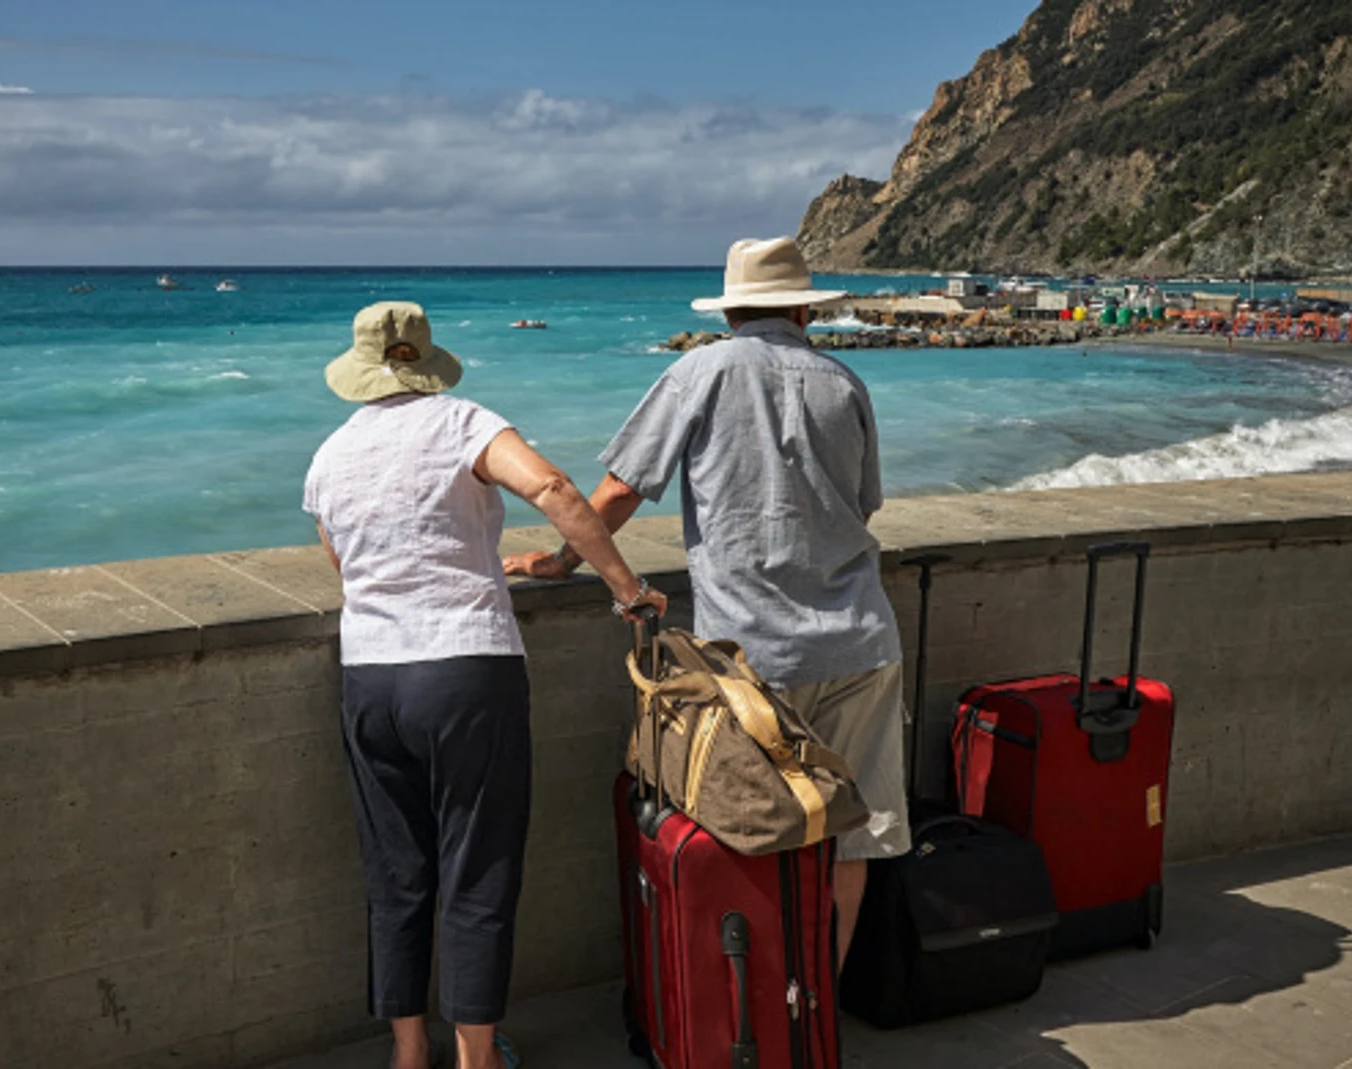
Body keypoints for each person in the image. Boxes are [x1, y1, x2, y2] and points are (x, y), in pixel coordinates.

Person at [503, 237, 908, 971]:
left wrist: (561, 560)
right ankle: (820, 1005)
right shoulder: (845, 382)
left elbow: (621, 489)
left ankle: (761, 1007)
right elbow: (864, 508)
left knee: (751, 833)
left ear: (729, 312)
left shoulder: (700, 371)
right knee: (855, 837)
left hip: (751, 658)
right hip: (860, 642)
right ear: (805, 311)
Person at [305, 301, 667, 1069]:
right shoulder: (463, 423)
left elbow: (344, 563)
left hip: (370, 677)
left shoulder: (329, 457)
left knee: (396, 872)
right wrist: (626, 587)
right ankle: (477, 1058)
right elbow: (555, 489)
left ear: (361, 370)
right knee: (477, 869)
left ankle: (408, 1052)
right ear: (426, 361)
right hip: (465, 670)